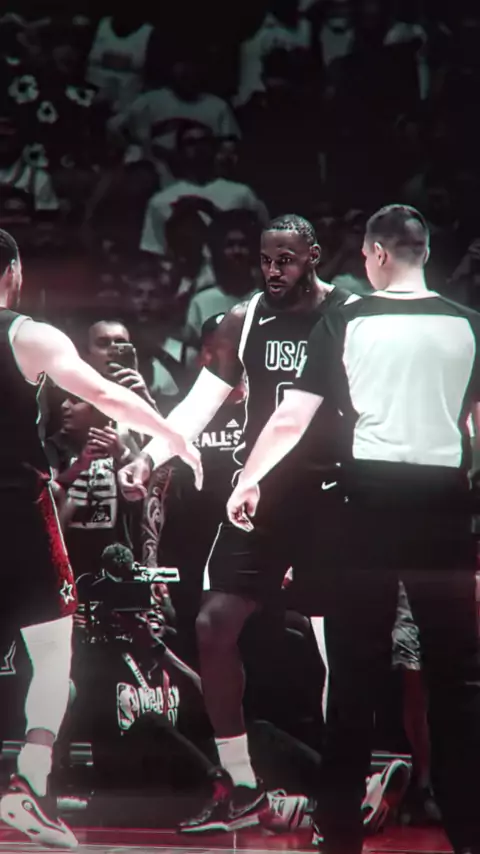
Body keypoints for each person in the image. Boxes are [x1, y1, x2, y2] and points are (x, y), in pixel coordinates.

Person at [227, 204, 480, 854]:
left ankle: (338, 835)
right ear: (425, 253)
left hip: (365, 508)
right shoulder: (468, 324)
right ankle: (468, 833)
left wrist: (249, 478)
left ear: (377, 254)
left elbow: (292, 417)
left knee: (353, 677)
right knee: (456, 681)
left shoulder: (348, 317)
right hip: (445, 511)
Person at [119, 214, 353, 830]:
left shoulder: (350, 315)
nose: (274, 271)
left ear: (314, 255)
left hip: (333, 494)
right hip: (260, 495)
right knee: (213, 622)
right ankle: (241, 783)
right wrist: (151, 454)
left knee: (337, 643)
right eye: (266, 259)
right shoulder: (242, 319)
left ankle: (343, 787)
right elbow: (199, 403)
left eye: (287, 259)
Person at [0, 228, 201, 850]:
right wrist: (172, 436)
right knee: (52, 651)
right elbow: (105, 392)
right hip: (14, 505)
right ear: (14, 272)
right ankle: (29, 781)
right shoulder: (28, 334)